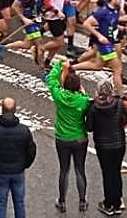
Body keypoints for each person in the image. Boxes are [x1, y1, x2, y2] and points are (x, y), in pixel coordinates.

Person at [45, 59, 91, 211]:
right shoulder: (83, 101)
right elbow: (87, 102)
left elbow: (50, 79)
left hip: (62, 138)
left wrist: (59, 65)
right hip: (80, 138)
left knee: (64, 170)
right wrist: (83, 93)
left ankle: (62, 201)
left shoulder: (58, 95)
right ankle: (82, 201)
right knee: (80, 169)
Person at [0, 97, 37, 218]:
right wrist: (24, 164)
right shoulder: (24, 130)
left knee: (1, 203)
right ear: (15, 110)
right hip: (18, 171)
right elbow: (31, 151)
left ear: (2, 110)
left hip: (1, 171)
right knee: (19, 202)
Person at [86, 80, 127, 217]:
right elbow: (125, 119)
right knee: (116, 172)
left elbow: (89, 127)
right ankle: (118, 202)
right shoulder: (119, 104)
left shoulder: (93, 108)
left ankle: (109, 203)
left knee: (107, 173)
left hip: (103, 146)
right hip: (119, 144)